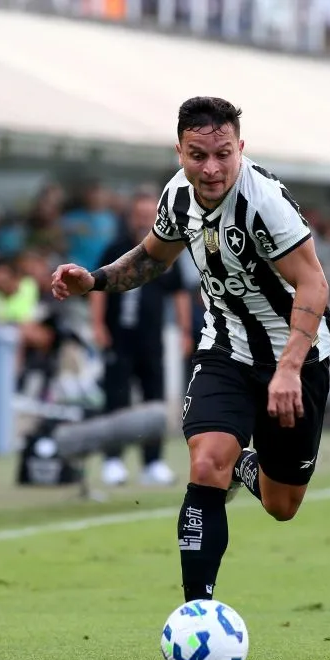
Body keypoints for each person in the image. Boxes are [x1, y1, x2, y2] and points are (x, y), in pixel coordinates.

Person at [52, 96, 330, 602]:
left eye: (223, 155)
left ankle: (248, 466)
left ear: (240, 148)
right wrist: (93, 281)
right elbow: (153, 258)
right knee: (206, 465)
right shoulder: (176, 196)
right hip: (224, 348)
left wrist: (288, 369)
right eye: (198, 155)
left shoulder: (264, 203)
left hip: (296, 360)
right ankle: (197, 612)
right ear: (180, 152)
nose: (211, 169)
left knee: (282, 505)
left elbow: (314, 283)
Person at [89, 190, 193, 488]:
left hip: (152, 342)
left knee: (154, 402)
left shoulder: (166, 249)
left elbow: (179, 293)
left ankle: (153, 462)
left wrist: (185, 331)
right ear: (131, 217)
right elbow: (97, 286)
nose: (144, 220)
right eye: (139, 214)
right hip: (118, 341)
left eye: (149, 214)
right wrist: (97, 325)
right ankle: (113, 461)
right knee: (116, 400)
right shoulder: (115, 249)